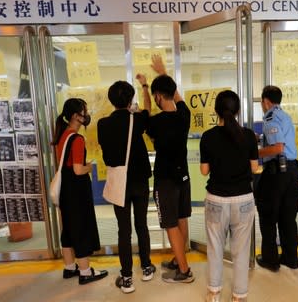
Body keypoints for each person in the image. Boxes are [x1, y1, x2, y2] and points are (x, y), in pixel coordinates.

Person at [200, 90, 259, 302]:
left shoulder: (207, 137)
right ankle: (239, 296)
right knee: (241, 251)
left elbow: (204, 171)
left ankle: (214, 294)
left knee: (215, 248)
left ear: (217, 111)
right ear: (237, 110)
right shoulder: (249, 135)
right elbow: (254, 168)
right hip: (243, 199)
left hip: (216, 199)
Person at [97, 80, 155, 293]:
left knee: (124, 230)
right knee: (142, 225)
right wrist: (146, 87)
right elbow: (148, 109)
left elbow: (108, 155)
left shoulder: (103, 124)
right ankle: (147, 268)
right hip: (139, 180)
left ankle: (127, 278)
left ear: (111, 101)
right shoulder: (137, 120)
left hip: (118, 182)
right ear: (131, 100)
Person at [145, 60, 194, 283]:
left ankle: (184, 271)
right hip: (183, 177)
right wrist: (163, 74)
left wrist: (145, 87)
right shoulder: (184, 115)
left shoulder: (155, 122)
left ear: (157, 96)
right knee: (182, 218)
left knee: (170, 223)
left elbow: (145, 116)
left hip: (166, 180)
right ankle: (178, 259)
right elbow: (177, 96)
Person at [52, 97, 108, 285]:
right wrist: (89, 167)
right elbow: (77, 169)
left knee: (68, 227)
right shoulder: (76, 139)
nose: (87, 114)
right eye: (84, 111)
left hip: (65, 190)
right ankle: (85, 271)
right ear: (76, 116)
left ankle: (69, 267)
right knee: (81, 228)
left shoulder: (62, 135)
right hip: (76, 190)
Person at [255, 85, 298, 272]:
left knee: (268, 215)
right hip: (291, 172)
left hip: (276, 172)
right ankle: (290, 259)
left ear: (266, 101)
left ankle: (270, 259)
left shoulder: (270, 118)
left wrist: (256, 153)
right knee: (288, 217)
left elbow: (278, 148)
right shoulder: (285, 116)